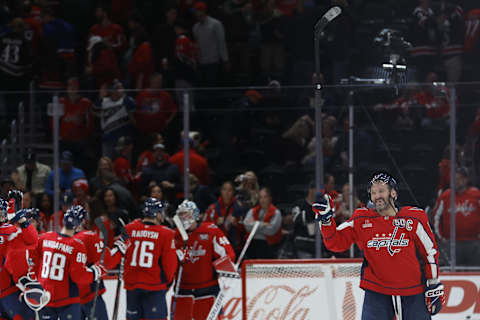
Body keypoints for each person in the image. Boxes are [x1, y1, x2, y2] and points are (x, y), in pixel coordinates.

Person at [313, 172, 444, 319]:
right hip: (377, 293)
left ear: (393, 193)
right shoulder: (361, 219)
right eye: (373, 193)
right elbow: (335, 243)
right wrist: (325, 220)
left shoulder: (414, 217)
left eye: (381, 191)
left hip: (413, 292)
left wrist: (433, 284)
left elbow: (430, 254)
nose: (377, 196)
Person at [109, 198, 177, 320]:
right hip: (154, 286)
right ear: (157, 214)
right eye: (161, 212)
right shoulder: (166, 233)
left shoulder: (129, 228)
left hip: (132, 286)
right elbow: (170, 264)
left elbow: (116, 253)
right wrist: (168, 282)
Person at [35, 205, 105, 320]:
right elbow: (79, 276)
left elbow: (33, 259)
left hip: (44, 296)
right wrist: (95, 272)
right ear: (79, 224)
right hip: (67, 299)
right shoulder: (76, 245)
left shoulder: (45, 237)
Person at [173, 200, 235, 320]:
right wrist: (176, 257)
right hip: (183, 289)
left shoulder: (211, 231)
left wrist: (223, 271)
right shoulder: (174, 235)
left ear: (195, 215)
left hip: (208, 289)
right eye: (181, 215)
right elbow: (167, 261)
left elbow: (228, 254)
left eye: (186, 214)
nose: (183, 218)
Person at [0, 191, 40, 320]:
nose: (2, 216)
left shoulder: (10, 230)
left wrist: (18, 218)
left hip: (9, 289)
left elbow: (33, 240)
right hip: (9, 290)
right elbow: (33, 240)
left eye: (2, 213)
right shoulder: (10, 230)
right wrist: (18, 218)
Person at [431, 167, 480, 266]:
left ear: (466, 180)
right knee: (452, 270)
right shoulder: (446, 196)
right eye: (454, 179)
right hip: (451, 243)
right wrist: (441, 237)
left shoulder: (476, 194)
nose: (457, 182)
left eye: (459, 179)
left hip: (474, 243)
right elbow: (435, 217)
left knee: (475, 270)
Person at [72, 205, 109, 320]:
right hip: (90, 293)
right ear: (83, 220)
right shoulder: (89, 236)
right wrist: (120, 249)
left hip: (70, 298)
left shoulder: (63, 240)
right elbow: (108, 260)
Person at [192, 1, 230, 87]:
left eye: (199, 11)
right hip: (201, 63)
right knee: (204, 87)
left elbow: (221, 43)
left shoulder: (216, 24)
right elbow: (196, 45)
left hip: (214, 62)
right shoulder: (195, 27)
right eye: (196, 11)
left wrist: (225, 60)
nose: (197, 13)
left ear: (204, 11)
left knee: (212, 88)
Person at [205, 181, 246, 255]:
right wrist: (215, 223)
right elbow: (204, 227)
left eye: (229, 190)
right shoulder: (212, 209)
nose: (227, 192)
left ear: (233, 192)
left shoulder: (240, 208)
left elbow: (246, 228)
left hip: (236, 246)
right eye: (224, 189)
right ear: (221, 191)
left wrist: (237, 223)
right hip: (217, 246)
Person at [243, 187, 283, 259]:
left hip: (270, 247)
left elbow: (271, 230)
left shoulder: (276, 213)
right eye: (261, 197)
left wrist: (254, 225)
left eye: (265, 197)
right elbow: (247, 227)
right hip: (253, 245)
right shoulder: (252, 211)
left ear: (270, 198)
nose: (263, 200)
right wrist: (263, 224)